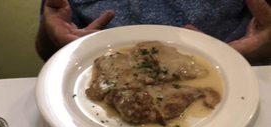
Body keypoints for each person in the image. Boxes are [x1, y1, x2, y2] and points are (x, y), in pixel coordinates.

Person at [36, 0, 271, 64]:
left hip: (232, 96)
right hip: (99, 113)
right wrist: (55, 38)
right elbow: (47, 49)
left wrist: (263, 48)